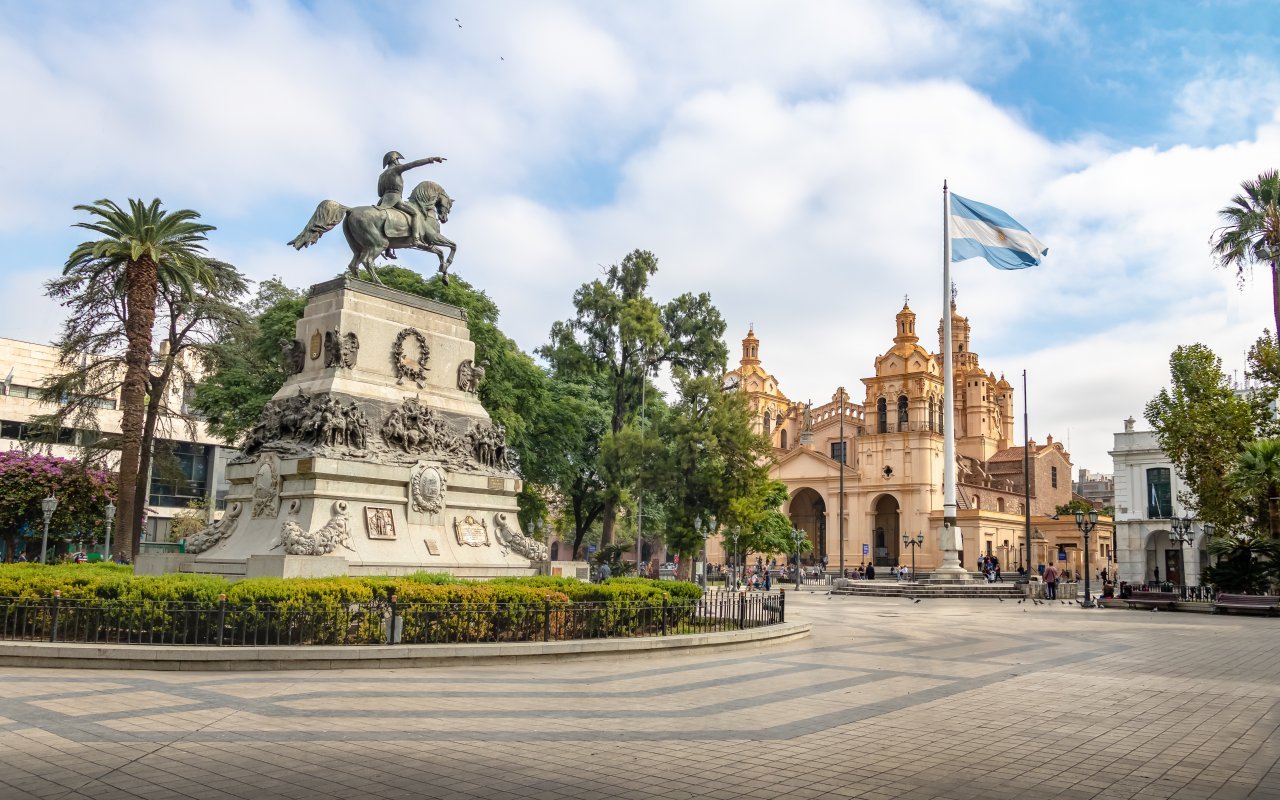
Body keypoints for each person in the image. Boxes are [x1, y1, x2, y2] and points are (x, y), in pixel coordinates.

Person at [376, 150, 446, 258]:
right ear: (394, 160)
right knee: (415, 214)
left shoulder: (382, 176)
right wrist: (431, 159)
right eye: (398, 159)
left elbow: (380, 193)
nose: (399, 162)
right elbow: (414, 164)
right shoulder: (396, 169)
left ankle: (388, 249)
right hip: (395, 200)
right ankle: (416, 239)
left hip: (383, 201)